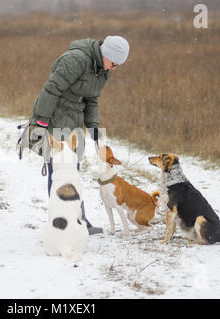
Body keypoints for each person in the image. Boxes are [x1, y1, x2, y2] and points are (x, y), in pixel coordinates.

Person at [28, 36, 130, 235]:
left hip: (74, 121)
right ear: (106, 54)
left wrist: (92, 126)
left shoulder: (102, 69)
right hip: (55, 117)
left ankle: (77, 219)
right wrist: (41, 121)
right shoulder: (75, 60)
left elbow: (92, 98)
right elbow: (51, 89)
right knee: (59, 170)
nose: (114, 68)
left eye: (118, 65)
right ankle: (62, 223)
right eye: (114, 63)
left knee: (72, 170)